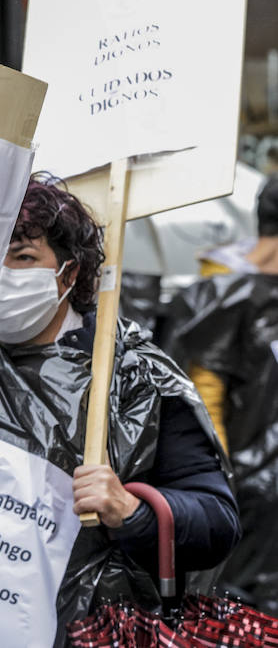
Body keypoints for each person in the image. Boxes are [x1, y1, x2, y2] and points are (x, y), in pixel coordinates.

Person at [0, 175, 239, 647]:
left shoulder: (134, 382)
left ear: (69, 274)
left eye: (24, 257)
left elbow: (216, 521)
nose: (4, 276)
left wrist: (131, 512)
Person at [163, 174, 278, 615]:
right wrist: (225, 488)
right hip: (244, 513)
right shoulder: (225, 295)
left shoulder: (223, 290)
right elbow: (200, 407)